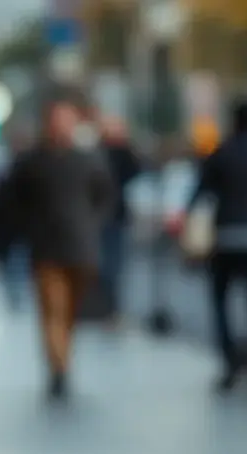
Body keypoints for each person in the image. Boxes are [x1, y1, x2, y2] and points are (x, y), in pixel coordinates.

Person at [175, 99, 247, 397]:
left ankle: (231, 362)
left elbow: (199, 194)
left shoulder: (221, 154)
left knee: (221, 302)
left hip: (226, 239)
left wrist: (191, 226)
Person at [3, 100, 114, 399]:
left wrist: (92, 224)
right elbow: (12, 199)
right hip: (46, 247)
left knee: (69, 312)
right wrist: (26, 227)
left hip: (81, 247)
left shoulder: (89, 159)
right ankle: (58, 368)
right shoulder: (32, 161)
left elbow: (105, 197)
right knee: (53, 309)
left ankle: (62, 357)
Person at [98, 117, 142, 326]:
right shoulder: (99, 153)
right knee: (108, 265)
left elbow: (136, 170)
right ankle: (107, 308)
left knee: (114, 266)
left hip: (113, 217)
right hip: (102, 218)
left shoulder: (120, 154)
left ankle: (112, 309)